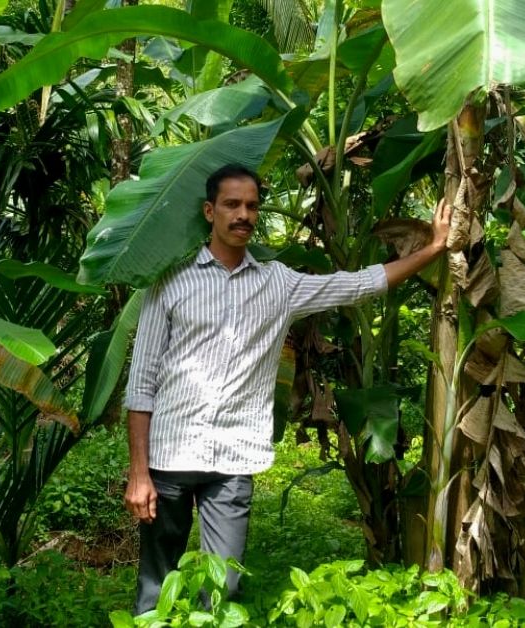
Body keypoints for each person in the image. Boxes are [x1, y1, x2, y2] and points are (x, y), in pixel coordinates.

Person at [123, 164, 452, 613]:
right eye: (232, 204)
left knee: (226, 588)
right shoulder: (172, 280)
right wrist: (139, 473)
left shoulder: (279, 283)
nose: (244, 214)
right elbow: (141, 383)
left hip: (233, 459)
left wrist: (433, 248)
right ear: (209, 211)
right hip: (169, 456)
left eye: (252, 205)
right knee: (155, 588)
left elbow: (357, 285)